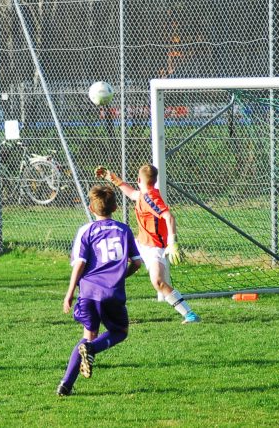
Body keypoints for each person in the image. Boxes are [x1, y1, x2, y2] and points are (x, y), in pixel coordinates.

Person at [56, 185, 142, 396]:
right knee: (120, 332)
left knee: (88, 335)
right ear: (115, 206)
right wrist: (120, 275)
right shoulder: (124, 229)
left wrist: (69, 293)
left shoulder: (86, 230)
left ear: (91, 208)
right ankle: (92, 351)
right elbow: (137, 263)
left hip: (88, 293)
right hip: (112, 293)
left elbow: (80, 264)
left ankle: (66, 384)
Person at [101, 164, 200, 324]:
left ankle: (189, 314)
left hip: (154, 248)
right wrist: (112, 178)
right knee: (113, 263)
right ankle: (110, 307)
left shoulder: (151, 198)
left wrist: (172, 242)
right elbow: (132, 193)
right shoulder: (144, 194)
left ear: (139, 179)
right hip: (140, 243)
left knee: (158, 282)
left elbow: (169, 217)